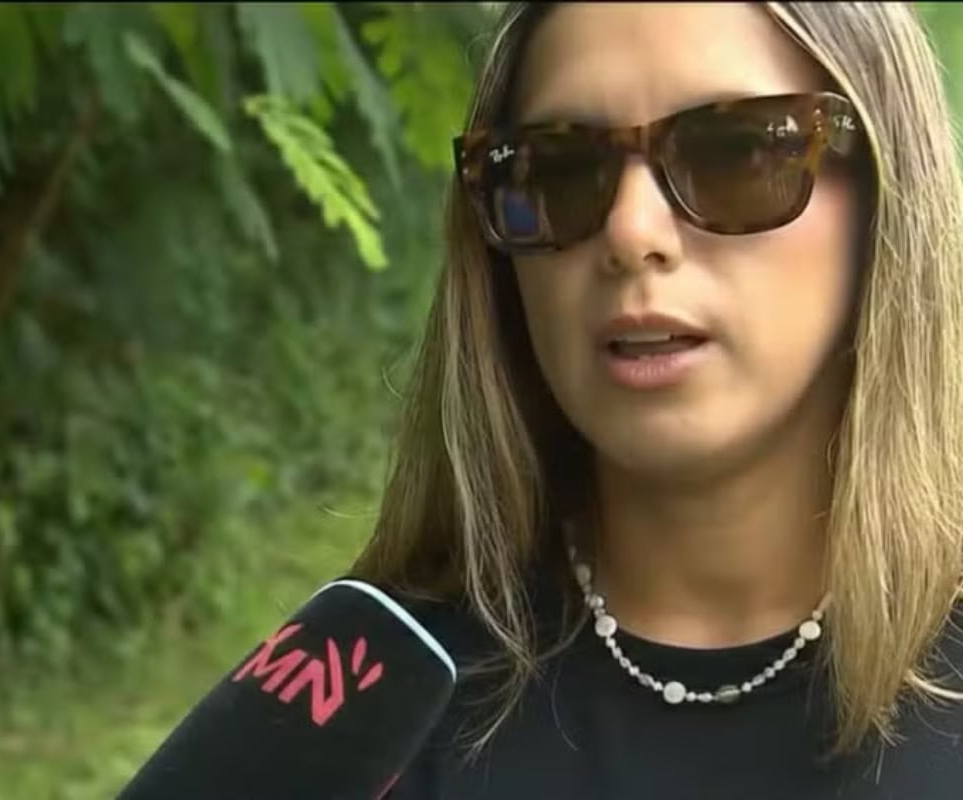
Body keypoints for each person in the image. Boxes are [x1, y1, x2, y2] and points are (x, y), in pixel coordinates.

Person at [349, 3, 963, 798]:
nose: (631, 232)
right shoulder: (359, 703)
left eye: (736, 151)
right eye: (559, 170)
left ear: (886, 196)